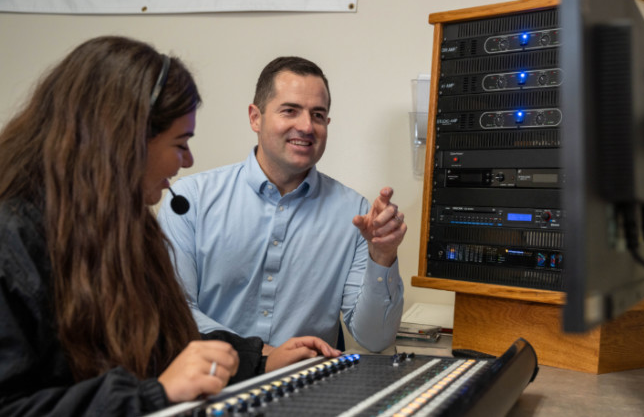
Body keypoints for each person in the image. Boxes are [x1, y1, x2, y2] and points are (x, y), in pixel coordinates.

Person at [0, 37, 339, 417]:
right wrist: (155, 396)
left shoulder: (122, 228)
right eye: (180, 143)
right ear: (123, 141)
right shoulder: (12, 238)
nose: (189, 159)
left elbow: (166, 341)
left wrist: (261, 362)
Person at [158, 56, 407, 353]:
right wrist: (262, 356)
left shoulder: (353, 212)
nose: (306, 126)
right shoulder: (191, 200)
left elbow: (375, 338)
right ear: (255, 117)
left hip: (307, 391)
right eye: (290, 111)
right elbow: (175, 313)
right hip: (212, 383)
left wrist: (383, 256)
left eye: (317, 115)